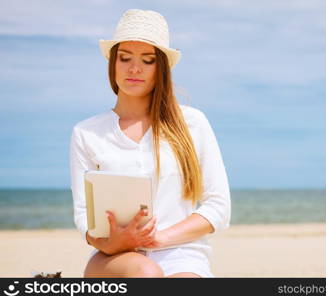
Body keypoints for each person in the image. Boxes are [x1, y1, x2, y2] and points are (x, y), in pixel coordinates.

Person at [69, 9, 231, 278]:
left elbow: (218, 208)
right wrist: (114, 242)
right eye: (125, 58)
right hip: (114, 258)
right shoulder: (86, 132)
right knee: (145, 273)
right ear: (113, 63)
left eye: (147, 60)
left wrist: (158, 238)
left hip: (182, 254)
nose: (134, 69)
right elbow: (84, 217)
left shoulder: (192, 123)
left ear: (161, 69)